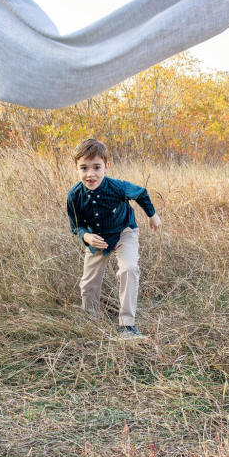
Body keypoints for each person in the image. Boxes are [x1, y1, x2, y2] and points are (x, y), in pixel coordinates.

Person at [67, 139, 162, 339]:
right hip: (97, 239)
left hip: (124, 232)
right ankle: (91, 320)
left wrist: (152, 216)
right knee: (88, 282)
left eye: (96, 167)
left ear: (106, 167)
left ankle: (127, 326)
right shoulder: (74, 195)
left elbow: (141, 194)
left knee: (129, 269)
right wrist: (87, 236)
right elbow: (76, 225)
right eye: (84, 168)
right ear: (76, 168)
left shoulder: (117, 187)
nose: (90, 174)